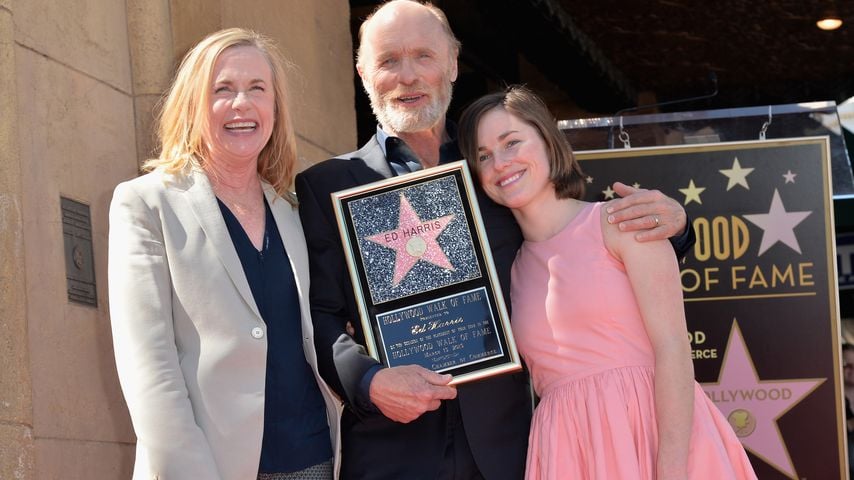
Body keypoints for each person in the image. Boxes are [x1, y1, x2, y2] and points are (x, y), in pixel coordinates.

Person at [295, 2, 693, 478]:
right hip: (392, 452)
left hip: (514, 451)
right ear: (362, 72)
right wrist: (369, 382)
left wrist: (674, 225)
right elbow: (319, 315)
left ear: (453, 64)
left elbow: (577, 238)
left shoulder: (497, 168)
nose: (408, 76)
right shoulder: (329, 186)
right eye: (388, 61)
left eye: (424, 56)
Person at [457, 85, 756, 479]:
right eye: (484, 155)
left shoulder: (621, 222)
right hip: (566, 452)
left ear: (548, 141)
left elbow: (673, 349)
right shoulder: (510, 271)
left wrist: (671, 468)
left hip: (654, 439)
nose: (500, 162)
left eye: (511, 142)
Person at [108, 28, 340, 480]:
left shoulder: (293, 210)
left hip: (314, 460)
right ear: (194, 104)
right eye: (223, 90)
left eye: (258, 89)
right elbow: (149, 370)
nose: (242, 105)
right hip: (209, 466)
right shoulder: (146, 204)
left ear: (275, 107)